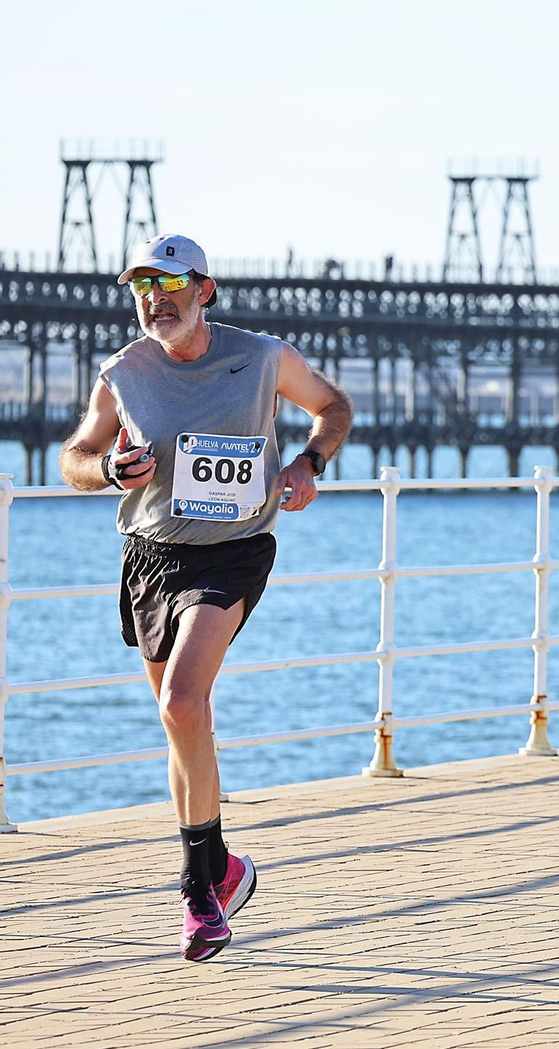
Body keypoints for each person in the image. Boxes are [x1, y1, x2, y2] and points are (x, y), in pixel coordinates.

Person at [59, 233, 353, 961]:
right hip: (151, 556)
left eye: (170, 285)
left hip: (234, 552)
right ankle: (222, 866)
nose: (155, 300)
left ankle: (197, 892)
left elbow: (333, 406)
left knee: (182, 701)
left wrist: (308, 463)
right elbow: (74, 458)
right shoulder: (123, 372)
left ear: (204, 290)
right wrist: (109, 472)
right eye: (143, 288)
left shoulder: (262, 357)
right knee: (181, 721)